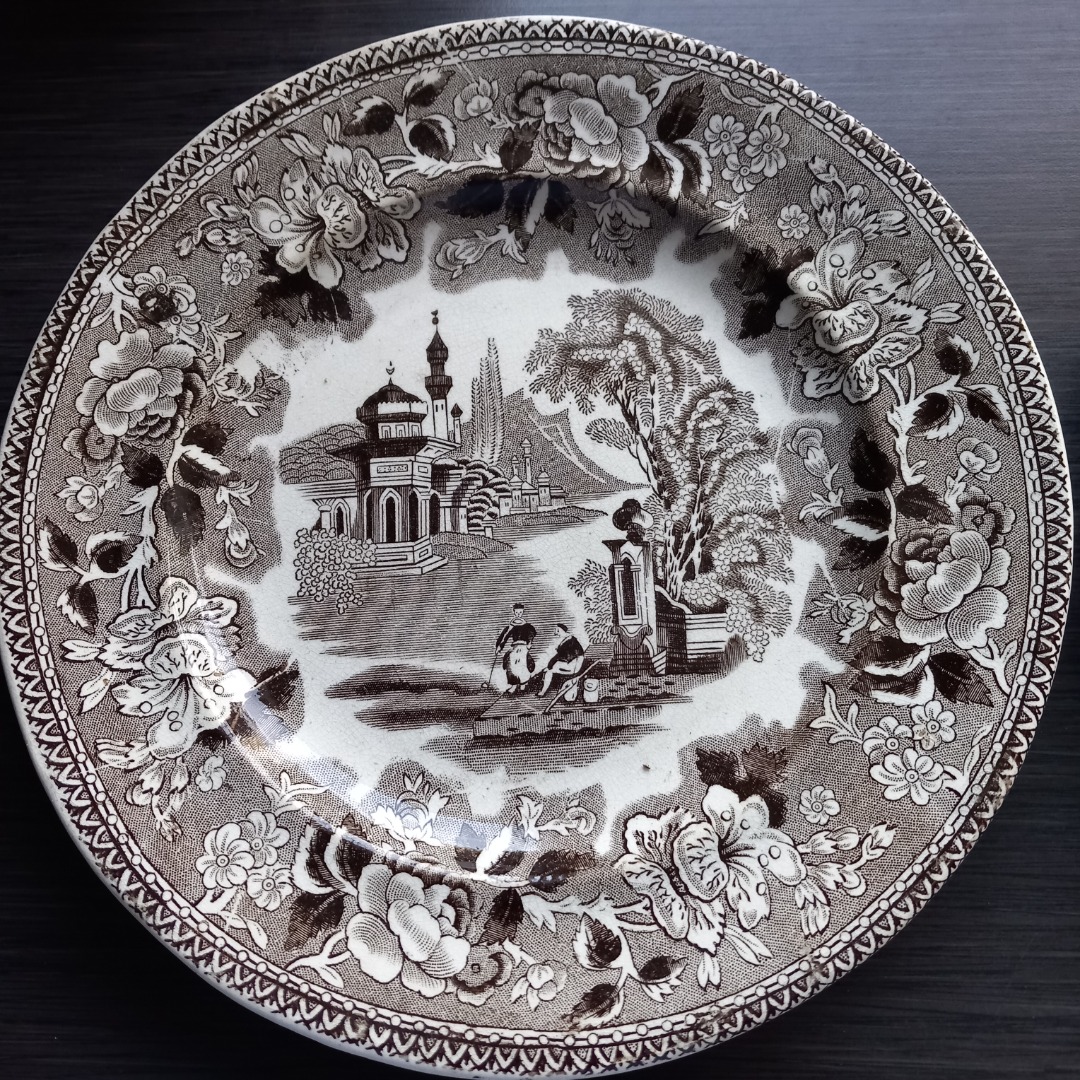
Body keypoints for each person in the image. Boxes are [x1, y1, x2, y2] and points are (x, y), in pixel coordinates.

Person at [538, 623, 585, 696]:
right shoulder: (567, 640)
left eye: (557, 630)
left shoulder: (570, 641)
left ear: (560, 630)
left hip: (573, 666)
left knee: (549, 671)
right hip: (571, 664)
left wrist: (550, 666)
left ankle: (543, 692)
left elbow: (561, 656)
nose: (555, 632)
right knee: (549, 669)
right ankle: (543, 690)